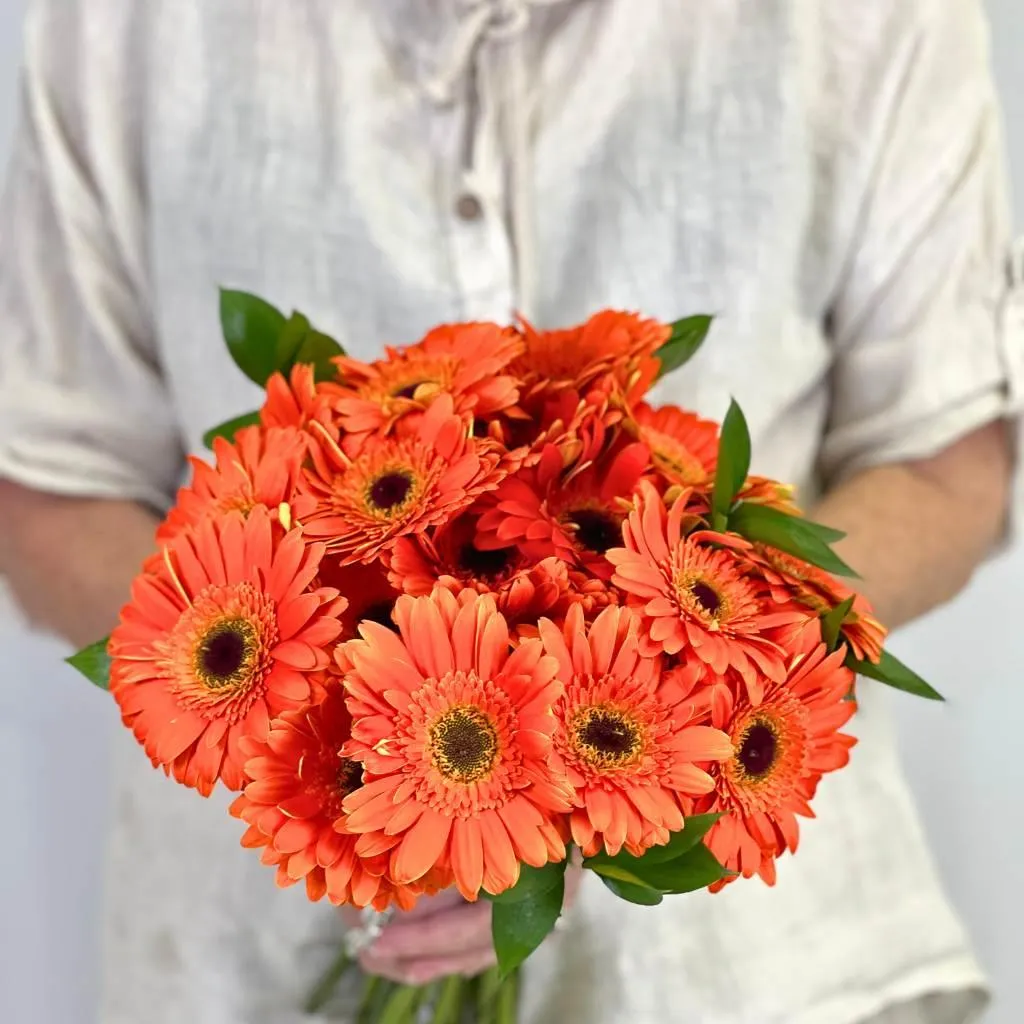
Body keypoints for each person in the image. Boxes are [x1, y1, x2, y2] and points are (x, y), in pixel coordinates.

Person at [0, 0, 1019, 1021]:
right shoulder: (116, 26)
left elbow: (945, 463)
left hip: (765, 975)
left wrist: (697, 681)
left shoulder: (876, 21)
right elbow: (46, 484)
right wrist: (300, 709)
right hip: (240, 953)